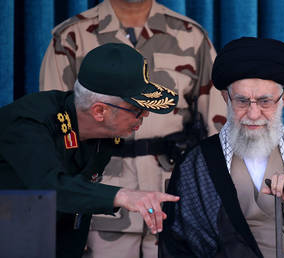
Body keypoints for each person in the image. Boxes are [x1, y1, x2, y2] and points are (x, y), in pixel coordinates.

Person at [39, 0, 227, 257]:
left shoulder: (191, 35)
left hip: (172, 200)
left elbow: (217, 127)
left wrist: (209, 204)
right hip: (100, 201)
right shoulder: (72, 36)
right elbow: (57, 132)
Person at [159, 37, 284, 258]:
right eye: (242, 101)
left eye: (265, 101)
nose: (253, 114)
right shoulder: (194, 166)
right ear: (226, 97)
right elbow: (175, 246)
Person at [0, 43, 180, 258]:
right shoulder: (28, 124)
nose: (145, 116)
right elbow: (48, 187)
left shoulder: (103, 133)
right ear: (100, 110)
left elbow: (75, 200)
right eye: (137, 110)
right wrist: (121, 196)